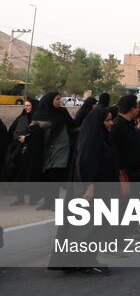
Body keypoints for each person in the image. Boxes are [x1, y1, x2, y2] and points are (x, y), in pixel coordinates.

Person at [49, 106, 117, 275]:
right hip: (89, 192)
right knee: (87, 227)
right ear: (97, 122)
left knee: (89, 226)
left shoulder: (100, 138)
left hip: (96, 189)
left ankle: (79, 261)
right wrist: (90, 186)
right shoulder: (91, 140)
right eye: (107, 120)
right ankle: (85, 262)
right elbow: (86, 165)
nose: (111, 123)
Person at [33, 91, 77, 211]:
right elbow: (34, 131)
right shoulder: (38, 114)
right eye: (57, 99)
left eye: (60, 99)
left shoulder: (62, 112)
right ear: (49, 100)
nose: (59, 102)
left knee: (54, 175)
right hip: (45, 148)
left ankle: (54, 204)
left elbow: (72, 125)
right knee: (46, 175)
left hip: (60, 148)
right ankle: (47, 202)